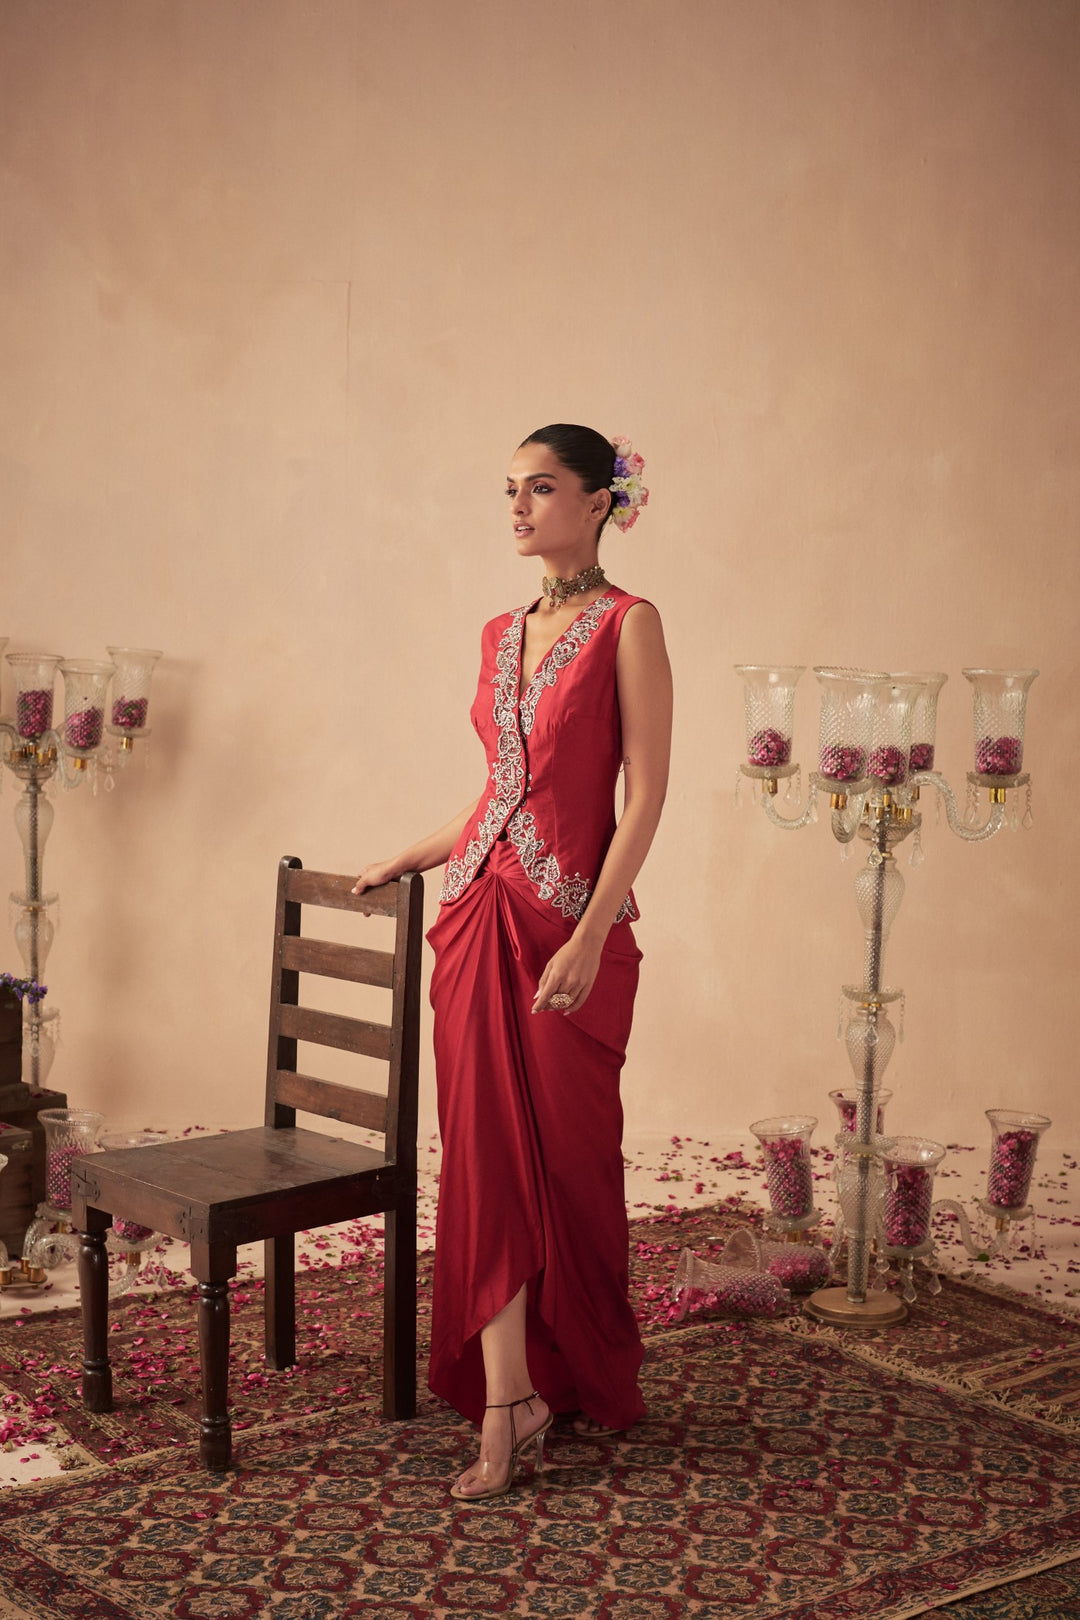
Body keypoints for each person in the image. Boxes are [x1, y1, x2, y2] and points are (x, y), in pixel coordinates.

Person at [353, 423, 672, 1502]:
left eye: (541, 488)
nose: (519, 508)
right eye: (510, 490)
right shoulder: (498, 633)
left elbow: (644, 796)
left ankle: (567, 1366)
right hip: (480, 918)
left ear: (600, 502)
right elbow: (500, 792)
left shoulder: (630, 624)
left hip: (568, 932)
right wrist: (409, 853)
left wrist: (591, 933)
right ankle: (508, 1399)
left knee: (572, 1166)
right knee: (483, 1156)